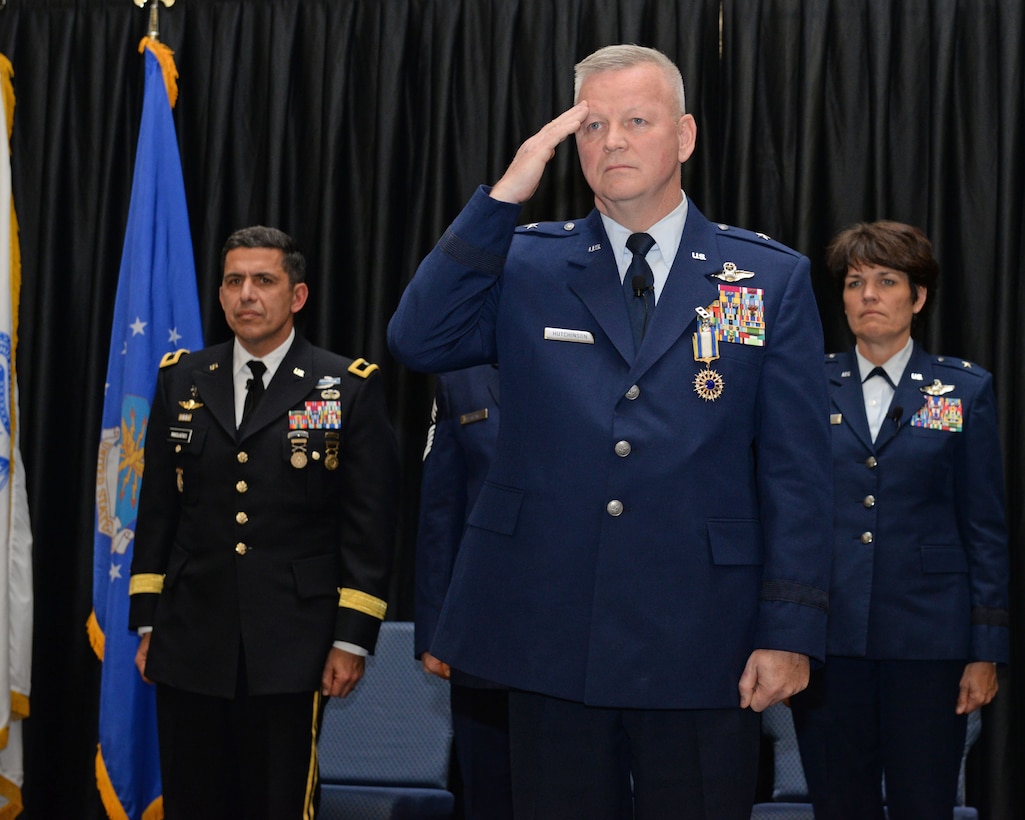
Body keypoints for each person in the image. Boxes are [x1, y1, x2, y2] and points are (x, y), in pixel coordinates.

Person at [388, 44, 832, 819]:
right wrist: (504, 193)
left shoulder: (764, 277)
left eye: (636, 120)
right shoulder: (525, 261)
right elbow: (418, 339)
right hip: (547, 628)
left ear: (685, 136)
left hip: (704, 636)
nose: (613, 142)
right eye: (592, 126)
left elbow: (797, 468)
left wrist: (788, 628)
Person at [129, 226, 398, 819]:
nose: (246, 294)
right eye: (233, 281)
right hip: (192, 637)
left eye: (263, 281)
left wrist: (350, 639)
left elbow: (368, 528)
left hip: (294, 642)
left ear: (296, 296)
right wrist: (149, 624)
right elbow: (157, 512)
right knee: (194, 801)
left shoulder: (346, 387)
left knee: (277, 804)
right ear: (221, 295)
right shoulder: (182, 380)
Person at [789, 221, 1009, 819]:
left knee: (924, 803)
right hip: (829, 645)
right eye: (856, 282)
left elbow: (985, 525)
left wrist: (985, 649)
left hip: (929, 644)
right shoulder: (805, 385)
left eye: (886, 281)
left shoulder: (963, 391)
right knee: (838, 804)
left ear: (917, 297)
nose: (868, 295)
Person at [415, 363, 514, 819]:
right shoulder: (461, 379)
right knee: (488, 795)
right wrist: (437, 630)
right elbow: (441, 512)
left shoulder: (589, 353)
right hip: (481, 635)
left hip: (573, 632)